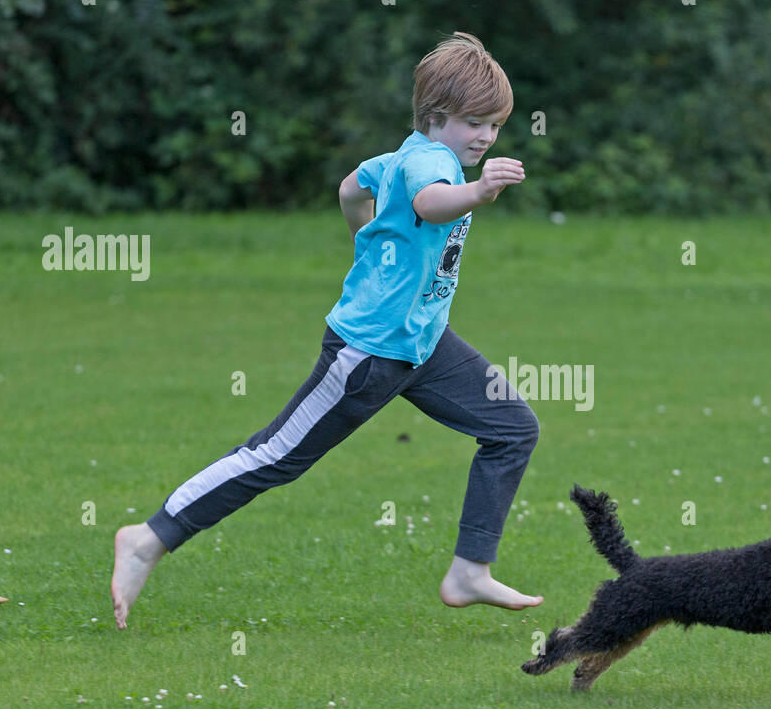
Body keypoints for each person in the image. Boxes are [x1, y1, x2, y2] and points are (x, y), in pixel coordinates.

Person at [110, 32, 542, 628]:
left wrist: (366, 250)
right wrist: (479, 191)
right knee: (276, 454)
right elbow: (433, 204)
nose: (486, 137)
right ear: (436, 117)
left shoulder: (400, 155)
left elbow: (349, 189)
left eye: (494, 126)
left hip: (422, 343)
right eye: (474, 123)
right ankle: (147, 537)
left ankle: (470, 570)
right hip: (369, 353)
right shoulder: (429, 164)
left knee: (511, 427)